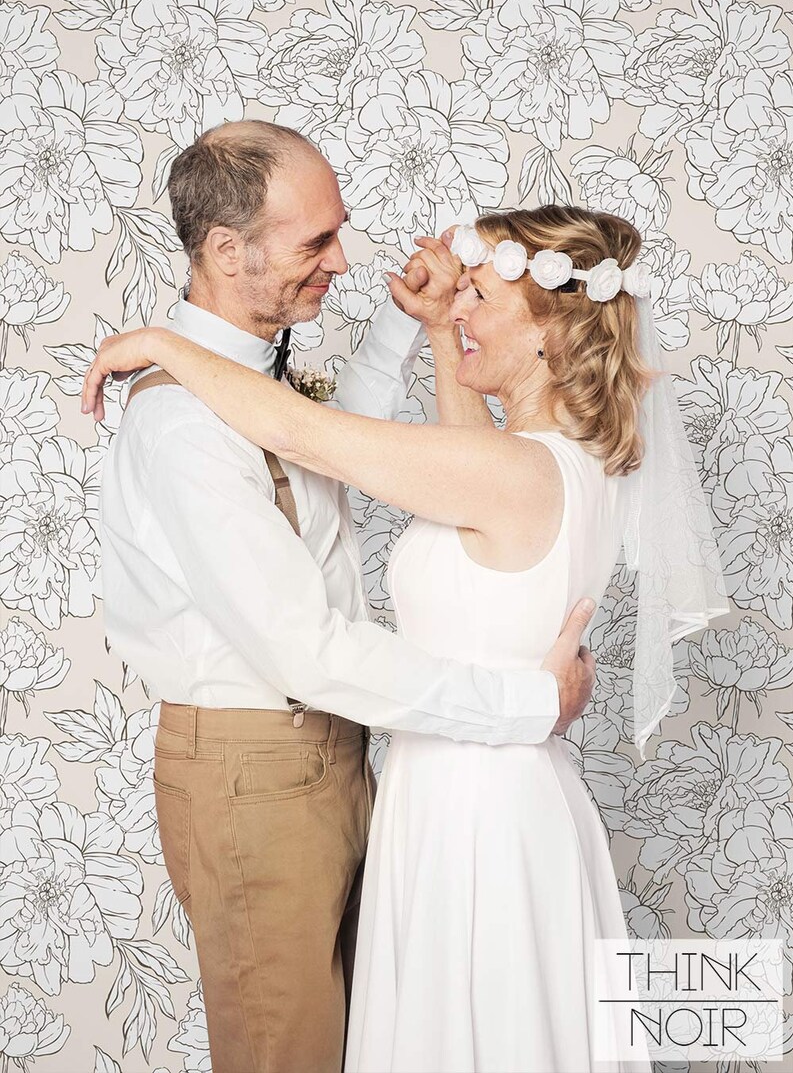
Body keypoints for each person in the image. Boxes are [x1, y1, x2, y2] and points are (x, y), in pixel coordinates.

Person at [93, 121, 600, 1073]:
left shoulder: (256, 386)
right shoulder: (183, 424)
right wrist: (529, 703)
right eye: (316, 241)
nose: (344, 257)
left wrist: (405, 338)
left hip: (341, 758)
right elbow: (309, 650)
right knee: (288, 1054)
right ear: (226, 249)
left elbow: (321, 454)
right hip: (255, 768)